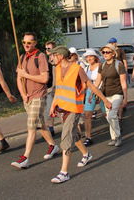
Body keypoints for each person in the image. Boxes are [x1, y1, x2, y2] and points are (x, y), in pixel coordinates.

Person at [48, 46, 111, 184]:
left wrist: (105, 99)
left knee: (66, 137)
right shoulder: (58, 69)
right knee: (75, 135)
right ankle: (86, 154)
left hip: (73, 108)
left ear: (61, 56)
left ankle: (64, 172)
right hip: (62, 108)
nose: (52, 58)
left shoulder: (77, 69)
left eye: (54, 55)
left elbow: (91, 86)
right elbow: (58, 89)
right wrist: (53, 105)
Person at [12, 32, 60, 169]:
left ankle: (25, 158)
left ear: (34, 43)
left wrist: (26, 75)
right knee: (40, 125)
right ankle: (53, 146)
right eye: (24, 42)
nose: (26, 45)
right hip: (28, 98)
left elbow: (45, 79)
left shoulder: (41, 56)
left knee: (31, 126)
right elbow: (18, 79)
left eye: (29, 43)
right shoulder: (22, 57)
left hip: (39, 96)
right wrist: (22, 94)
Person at [94, 43, 127, 146]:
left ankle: (118, 136)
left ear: (113, 54)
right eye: (103, 52)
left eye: (108, 52)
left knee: (112, 115)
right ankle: (113, 138)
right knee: (109, 117)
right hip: (106, 95)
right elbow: (98, 81)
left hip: (117, 93)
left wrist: (125, 98)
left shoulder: (119, 65)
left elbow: (123, 82)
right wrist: (91, 94)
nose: (105, 54)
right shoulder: (102, 65)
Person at [82, 49, 106, 146]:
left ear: (95, 57)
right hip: (89, 91)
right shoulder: (87, 67)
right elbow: (86, 82)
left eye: (90, 56)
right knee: (87, 115)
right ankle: (88, 137)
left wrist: (93, 93)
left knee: (106, 113)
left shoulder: (100, 66)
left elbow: (99, 81)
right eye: (87, 57)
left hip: (99, 91)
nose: (89, 58)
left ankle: (115, 129)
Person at [45, 41, 56, 136]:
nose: (47, 50)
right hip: (50, 89)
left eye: (49, 48)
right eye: (46, 48)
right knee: (49, 109)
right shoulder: (46, 61)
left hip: (59, 89)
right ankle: (51, 128)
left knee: (62, 110)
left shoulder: (57, 59)